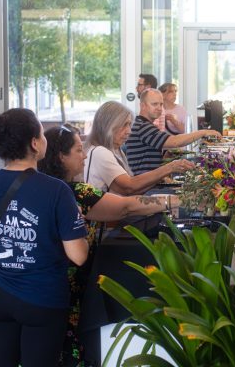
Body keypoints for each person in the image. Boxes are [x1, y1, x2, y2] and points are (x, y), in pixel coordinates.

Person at [39, 124, 180, 366]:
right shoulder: (75, 193)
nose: (84, 155)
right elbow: (127, 205)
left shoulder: (40, 188)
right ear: (61, 157)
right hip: (68, 285)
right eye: (77, 150)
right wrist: (175, 200)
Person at [0, 108, 89, 367]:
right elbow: (78, 255)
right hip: (42, 299)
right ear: (34, 143)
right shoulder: (57, 191)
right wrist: (78, 222)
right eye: (42, 134)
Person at [84, 100, 194, 195]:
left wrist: (159, 176)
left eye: (129, 125)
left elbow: (131, 191)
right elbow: (129, 186)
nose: (129, 131)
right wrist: (169, 167)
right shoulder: (100, 152)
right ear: (109, 126)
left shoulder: (116, 150)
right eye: (124, 125)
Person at [125, 89, 221, 175]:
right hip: (143, 186)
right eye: (154, 104)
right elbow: (174, 142)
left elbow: (148, 158)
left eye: (161, 104)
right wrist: (203, 132)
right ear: (143, 106)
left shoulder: (143, 124)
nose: (159, 108)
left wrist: (167, 155)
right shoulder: (143, 126)